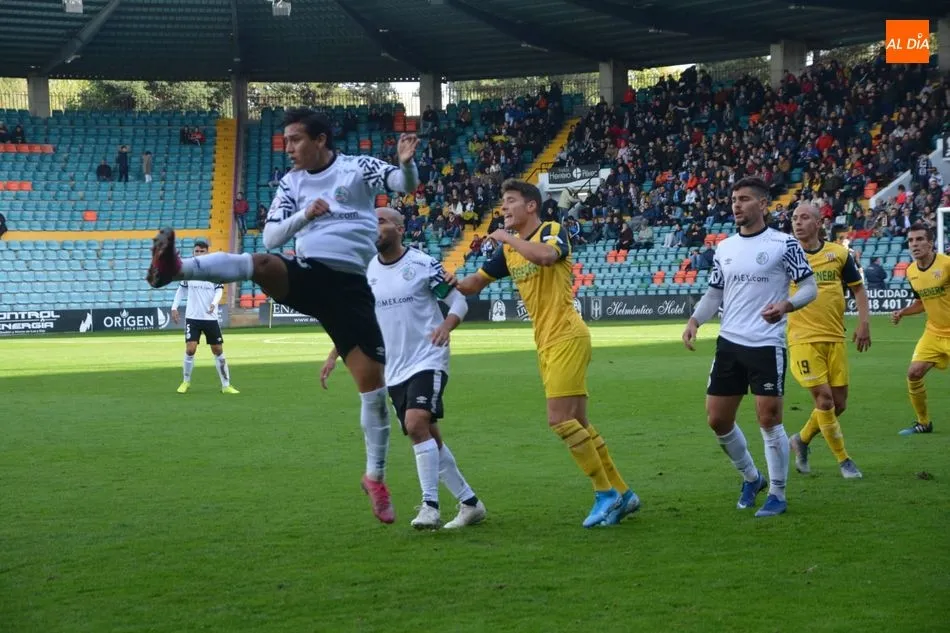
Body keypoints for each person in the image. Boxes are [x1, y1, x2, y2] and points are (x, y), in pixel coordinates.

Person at [145, 107, 421, 524]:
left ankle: (375, 479)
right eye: (285, 140)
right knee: (262, 261)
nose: (287, 148)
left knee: (373, 391)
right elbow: (273, 235)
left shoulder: (357, 168)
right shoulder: (291, 184)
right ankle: (177, 269)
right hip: (308, 274)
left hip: (350, 290)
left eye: (294, 139)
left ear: (320, 140)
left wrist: (406, 162)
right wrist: (304, 215)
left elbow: (404, 185)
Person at [446, 179, 639, 528]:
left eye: (510, 201)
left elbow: (548, 257)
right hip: (546, 341)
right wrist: (450, 280)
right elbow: (475, 283)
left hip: (567, 334)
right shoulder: (508, 250)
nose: (504, 208)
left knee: (559, 420)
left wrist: (506, 237)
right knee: (579, 423)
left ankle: (604, 493)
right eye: (502, 203)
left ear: (531, 206)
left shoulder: (550, 230)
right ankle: (623, 493)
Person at [320, 208, 486, 530]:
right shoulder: (367, 272)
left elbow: (459, 302)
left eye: (381, 221)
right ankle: (470, 503)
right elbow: (357, 321)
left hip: (428, 357)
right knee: (428, 438)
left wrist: (446, 327)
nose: (375, 227)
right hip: (393, 368)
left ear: (399, 227)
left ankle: (430, 506)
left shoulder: (422, 265)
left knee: (415, 423)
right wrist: (334, 354)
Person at [682, 177, 817, 518]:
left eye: (744, 199)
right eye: (734, 199)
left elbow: (809, 287)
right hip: (729, 343)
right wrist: (695, 321)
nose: (736, 204)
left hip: (766, 344)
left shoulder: (784, 244)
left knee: (768, 418)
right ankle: (751, 477)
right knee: (717, 420)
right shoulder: (724, 248)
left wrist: (786, 306)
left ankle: (778, 493)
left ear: (763, 204)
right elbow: (715, 293)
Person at [785, 203, 869, 479]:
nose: (798, 222)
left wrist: (864, 323)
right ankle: (844, 460)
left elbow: (858, 290)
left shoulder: (839, 254)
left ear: (819, 222)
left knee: (839, 403)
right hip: (802, 338)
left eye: (804, 217)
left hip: (835, 336)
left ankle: (802, 439)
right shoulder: (784, 255)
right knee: (824, 399)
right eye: (794, 218)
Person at [891, 223, 950, 436]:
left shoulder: (946, 265)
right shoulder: (911, 271)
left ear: (931, 243)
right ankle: (923, 423)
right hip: (934, 332)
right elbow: (922, 302)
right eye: (911, 240)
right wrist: (902, 312)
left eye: (919, 239)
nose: (914, 244)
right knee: (913, 373)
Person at [170, 240, 239, 395]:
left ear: (207, 253)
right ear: (193, 253)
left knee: (218, 349)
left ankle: (226, 385)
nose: (199, 254)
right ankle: (185, 381)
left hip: (210, 317)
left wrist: (215, 303)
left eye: (202, 251)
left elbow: (219, 290)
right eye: (197, 251)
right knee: (190, 349)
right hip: (192, 317)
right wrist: (174, 307)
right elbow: (181, 289)